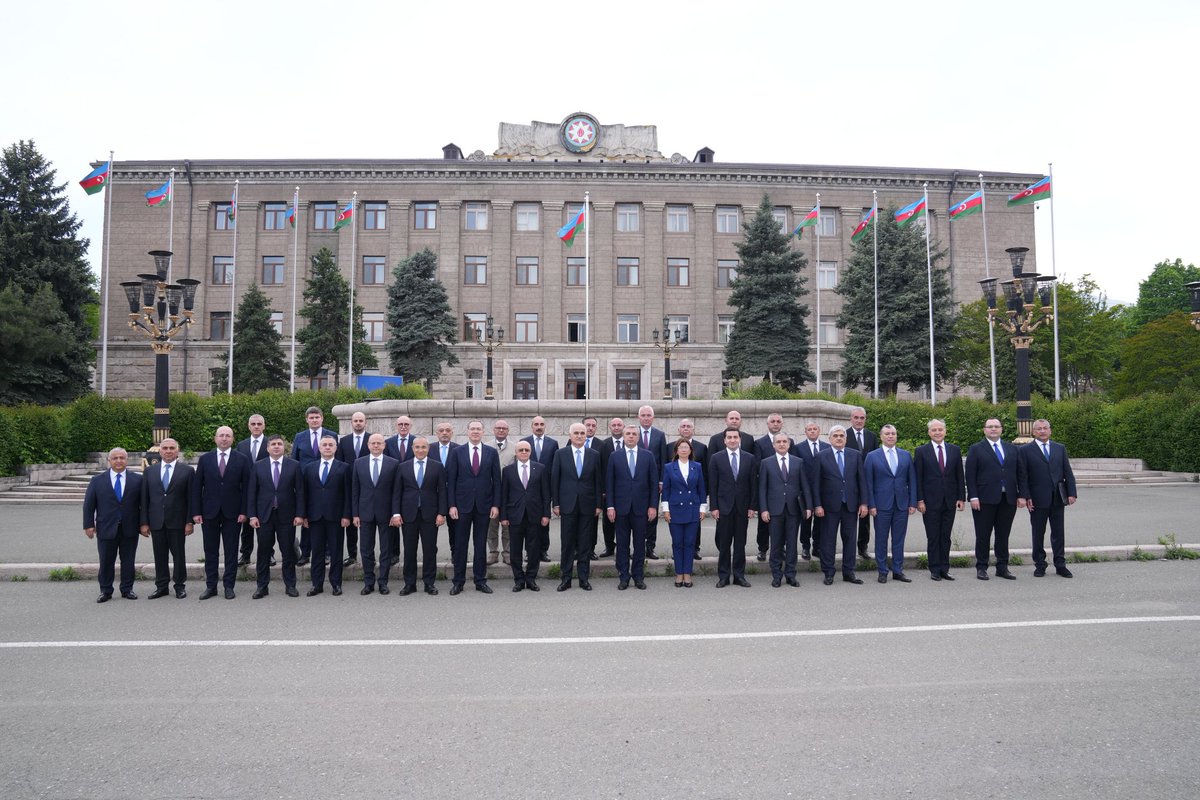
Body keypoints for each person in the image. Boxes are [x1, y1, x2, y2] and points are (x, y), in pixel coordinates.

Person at [190, 426, 251, 599]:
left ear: (232, 439)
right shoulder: (205, 459)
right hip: (209, 512)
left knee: (231, 551)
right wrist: (196, 512)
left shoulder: (242, 459)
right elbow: (197, 487)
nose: (224, 438)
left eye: (228, 436)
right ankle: (211, 587)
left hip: (233, 513)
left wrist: (244, 511)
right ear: (215, 438)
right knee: (210, 551)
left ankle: (229, 586)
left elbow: (247, 488)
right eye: (221, 435)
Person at [246, 434, 306, 598]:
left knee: (288, 552)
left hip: (287, 516)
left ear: (284, 447)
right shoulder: (258, 466)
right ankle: (262, 587)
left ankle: (290, 585)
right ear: (268, 448)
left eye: (279, 444)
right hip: (264, 516)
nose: (276, 446)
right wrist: (252, 516)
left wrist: (300, 514)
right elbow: (252, 492)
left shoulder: (294, 465)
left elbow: (300, 492)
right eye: (273, 444)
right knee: (263, 552)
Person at [1018, 419, 1079, 578]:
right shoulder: (1025, 450)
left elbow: (1067, 472)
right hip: (1037, 500)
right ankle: (1040, 564)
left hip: (1058, 498)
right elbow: (1023, 476)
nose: (1042, 431)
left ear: (1050, 431)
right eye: (1039, 429)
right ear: (1034, 432)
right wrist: (1026, 496)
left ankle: (1060, 564)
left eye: (1045, 428)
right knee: (1038, 533)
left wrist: (1072, 492)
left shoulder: (1060, 448)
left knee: (1058, 533)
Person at [447, 420, 501, 594]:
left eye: (478, 429)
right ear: (467, 431)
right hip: (462, 506)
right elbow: (452, 481)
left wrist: (495, 504)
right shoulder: (457, 452)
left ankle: (480, 581)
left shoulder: (491, 453)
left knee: (480, 545)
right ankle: (458, 582)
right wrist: (452, 505)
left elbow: (497, 482)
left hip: (484, 506)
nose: (476, 432)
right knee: (461, 545)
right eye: (473, 429)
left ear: (483, 432)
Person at [83, 447, 143, 602]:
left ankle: (127, 589)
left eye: (122, 458)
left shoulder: (137, 480)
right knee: (106, 561)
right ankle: (106, 590)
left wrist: (144, 524)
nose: (118, 461)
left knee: (128, 561)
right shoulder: (97, 481)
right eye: (115, 458)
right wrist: (88, 525)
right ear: (109, 460)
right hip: (106, 527)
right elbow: (89, 505)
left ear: (127, 460)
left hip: (129, 528)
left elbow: (143, 505)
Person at [965, 418, 1021, 581]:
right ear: (984, 430)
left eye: (996, 426)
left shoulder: (1012, 449)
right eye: (990, 427)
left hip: (1008, 498)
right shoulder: (976, 449)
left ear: (1001, 429)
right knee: (983, 535)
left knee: (1003, 535)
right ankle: (982, 567)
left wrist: (1022, 495)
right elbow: (970, 474)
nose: (993, 429)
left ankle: (1002, 567)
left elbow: (1021, 473)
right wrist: (973, 496)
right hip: (984, 499)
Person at [813, 425, 869, 586]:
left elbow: (862, 481)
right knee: (828, 540)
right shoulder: (821, 456)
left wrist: (864, 503)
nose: (839, 438)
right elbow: (815, 483)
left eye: (841, 436)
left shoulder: (856, 455)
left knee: (850, 540)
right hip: (829, 507)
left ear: (846, 438)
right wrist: (817, 505)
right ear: (830, 439)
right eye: (835, 436)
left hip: (850, 506)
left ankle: (849, 572)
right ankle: (829, 572)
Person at [551, 422, 604, 591]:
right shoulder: (560, 454)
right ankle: (565, 578)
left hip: (588, 506)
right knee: (567, 544)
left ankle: (583, 578)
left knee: (585, 544)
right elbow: (555, 480)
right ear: (570, 435)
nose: (580, 435)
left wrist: (598, 504)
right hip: (567, 505)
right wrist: (556, 503)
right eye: (577, 433)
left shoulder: (594, 454)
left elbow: (598, 482)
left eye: (582, 433)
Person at [139, 438, 194, 599]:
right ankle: (161, 586)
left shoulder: (187, 471)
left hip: (178, 521)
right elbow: (144, 499)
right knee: (159, 555)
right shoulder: (150, 471)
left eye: (172, 448)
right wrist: (144, 522)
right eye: (165, 448)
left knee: (179, 555)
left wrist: (189, 521)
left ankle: (179, 586)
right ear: (160, 451)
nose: (168, 451)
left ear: (177, 451)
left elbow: (191, 498)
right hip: (156, 521)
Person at [864, 424, 917, 583]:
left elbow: (912, 480)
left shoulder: (905, 455)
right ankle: (882, 570)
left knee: (899, 539)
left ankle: (898, 570)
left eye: (893, 433)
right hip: (881, 505)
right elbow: (868, 483)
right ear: (881, 436)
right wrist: (871, 504)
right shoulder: (872, 456)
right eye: (887, 433)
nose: (890, 436)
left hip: (901, 504)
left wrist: (912, 502)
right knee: (881, 539)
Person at [913, 419, 965, 582]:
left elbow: (959, 476)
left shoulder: (954, 450)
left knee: (946, 536)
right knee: (933, 536)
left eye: (940, 429)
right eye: (934, 430)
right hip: (929, 502)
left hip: (950, 501)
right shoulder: (921, 451)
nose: (937, 432)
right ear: (929, 433)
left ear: (945, 431)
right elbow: (918, 478)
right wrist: (919, 500)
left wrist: (961, 498)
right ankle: (934, 569)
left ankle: (945, 568)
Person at [607, 426, 658, 590]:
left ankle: (638, 576)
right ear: (623, 436)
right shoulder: (615, 456)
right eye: (628, 434)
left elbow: (653, 483)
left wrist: (653, 506)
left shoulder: (648, 456)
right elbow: (610, 484)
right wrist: (610, 506)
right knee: (622, 544)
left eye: (634, 434)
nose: (631, 436)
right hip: (620, 508)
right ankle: (623, 576)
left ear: (638, 437)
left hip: (641, 508)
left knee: (639, 544)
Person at [300, 434, 351, 596]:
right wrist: (304, 516)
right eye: (325, 445)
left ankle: (336, 583)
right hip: (314, 517)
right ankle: (317, 584)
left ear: (336, 448)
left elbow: (348, 495)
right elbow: (304, 494)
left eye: (331, 445)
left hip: (336, 517)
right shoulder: (309, 468)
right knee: (317, 552)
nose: (328, 447)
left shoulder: (344, 467)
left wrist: (346, 515)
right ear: (319, 448)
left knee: (336, 552)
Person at [351, 433, 402, 595]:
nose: (376, 446)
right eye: (373, 443)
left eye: (379, 443)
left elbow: (396, 492)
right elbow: (355, 490)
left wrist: (395, 513)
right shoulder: (358, 463)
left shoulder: (393, 463)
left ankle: (383, 582)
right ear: (368, 445)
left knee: (386, 550)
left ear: (384, 445)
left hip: (386, 514)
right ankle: (368, 582)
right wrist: (355, 514)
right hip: (365, 513)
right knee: (366, 549)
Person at [708, 427, 759, 588]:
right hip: (723, 507)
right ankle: (723, 576)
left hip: (742, 508)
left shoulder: (749, 458)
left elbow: (753, 485)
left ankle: (739, 575)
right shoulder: (716, 458)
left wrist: (752, 506)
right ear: (724, 440)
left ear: (740, 439)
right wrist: (714, 507)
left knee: (740, 544)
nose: (732, 440)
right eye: (729, 437)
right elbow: (713, 484)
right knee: (724, 544)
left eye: (735, 437)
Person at [758, 432, 810, 588]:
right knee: (776, 544)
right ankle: (776, 575)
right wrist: (764, 509)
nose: (781, 444)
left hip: (794, 509)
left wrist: (808, 506)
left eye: (784, 441)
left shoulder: (798, 462)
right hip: (774, 510)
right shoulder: (766, 463)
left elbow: (805, 486)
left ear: (789, 444)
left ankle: (790, 574)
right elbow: (762, 488)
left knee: (792, 544)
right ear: (773, 445)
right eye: (778, 442)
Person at [397, 437, 447, 595]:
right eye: (417, 447)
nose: (420, 450)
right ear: (412, 448)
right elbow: (397, 492)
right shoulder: (403, 467)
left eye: (423, 447)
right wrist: (396, 513)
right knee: (409, 550)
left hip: (430, 515)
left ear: (428, 449)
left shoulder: (437, 467)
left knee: (430, 550)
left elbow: (442, 492)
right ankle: (409, 584)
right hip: (408, 514)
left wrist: (441, 513)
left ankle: (429, 583)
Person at [499, 441, 551, 591]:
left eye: (526, 450)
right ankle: (519, 580)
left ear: (530, 452)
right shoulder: (508, 471)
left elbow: (545, 494)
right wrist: (504, 516)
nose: (523, 452)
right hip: (514, 515)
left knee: (533, 549)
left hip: (535, 515)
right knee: (515, 550)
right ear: (516, 452)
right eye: (520, 450)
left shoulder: (540, 468)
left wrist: (546, 514)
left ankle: (531, 579)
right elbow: (504, 495)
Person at [291, 406, 337, 567]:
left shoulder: (332, 435)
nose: (314, 420)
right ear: (307, 420)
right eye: (311, 418)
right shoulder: (300, 436)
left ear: (322, 418)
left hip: (326, 483)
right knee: (307, 518)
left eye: (317, 417)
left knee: (326, 517)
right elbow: (295, 460)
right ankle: (305, 553)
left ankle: (327, 553)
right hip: (306, 484)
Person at [660, 438, 707, 588]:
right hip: (675, 510)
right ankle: (679, 573)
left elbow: (701, 489)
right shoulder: (669, 467)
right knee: (678, 543)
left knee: (689, 543)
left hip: (693, 509)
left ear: (691, 450)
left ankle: (687, 573)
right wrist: (665, 510)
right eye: (681, 447)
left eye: (687, 447)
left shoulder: (697, 466)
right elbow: (665, 490)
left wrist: (702, 508)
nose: (684, 450)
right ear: (677, 451)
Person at [754, 413, 795, 562]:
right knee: (764, 523)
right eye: (773, 421)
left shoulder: (790, 442)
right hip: (768, 488)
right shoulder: (759, 443)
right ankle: (762, 549)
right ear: (767, 424)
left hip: (785, 491)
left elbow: (793, 465)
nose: (776, 424)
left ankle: (780, 548)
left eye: (778, 421)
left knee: (784, 523)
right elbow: (758, 465)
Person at [335, 410, 371, 567]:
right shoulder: (344, 441)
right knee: (350, 523)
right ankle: (352, 554)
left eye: (360, 420)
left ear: (365, 422)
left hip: (368, 487)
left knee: (367, 523)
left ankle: (368, 555)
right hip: (349, 487)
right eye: (355, 420)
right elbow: (340, 464)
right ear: (351, 422)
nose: (358, 423)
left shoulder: (372, 440)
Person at [843, 406, 879, 560]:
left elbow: (876, 458)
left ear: (865, 419)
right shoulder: (843, 435)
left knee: (865, 518)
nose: (859, 421)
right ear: (851, 419)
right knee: (849, 517)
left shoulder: (871, 436)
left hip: (867, 482)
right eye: (856, 418)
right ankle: (848, 548)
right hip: (849, 482)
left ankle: (862, 547)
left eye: (862, 418)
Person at [633, 405, 668, 560]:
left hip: (653, 483)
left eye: (649, 415)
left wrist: (661, 481)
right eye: (643, 415)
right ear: (638, 417)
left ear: (653, 418)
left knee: (652, 515)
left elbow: (663, 459)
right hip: (637, 484)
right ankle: (637, 548)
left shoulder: (660, 435)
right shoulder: (633, 434)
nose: (646, 418)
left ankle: (650, 547)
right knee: (636, 516)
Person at [522, 416, 559, 562]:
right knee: (527, 521)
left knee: (544, 520)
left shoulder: (552, 444)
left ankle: (543, 550)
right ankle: (529, 551)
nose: (539, 426)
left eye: (541, 424)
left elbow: (555, 468)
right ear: (531, 426)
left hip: (545, 488)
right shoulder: (525, 442)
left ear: (545, 426)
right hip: (527, 488)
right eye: (536, 424)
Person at [236, 414, 270, 566]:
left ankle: (269, 554)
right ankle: (245, 554)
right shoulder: (242, 445)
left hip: (265, 490)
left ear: (264, 426)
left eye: (259, 423)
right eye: (253, 424)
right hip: (246, 490)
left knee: (266, 525)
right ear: (248, 426)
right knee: (246, 525)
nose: (256, 426)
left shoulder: (270, 443)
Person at [383, 415, 416, 565]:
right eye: (400, 424)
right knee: (393, 520)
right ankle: (394, 553)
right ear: (396, 426)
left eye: (406, 424)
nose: (403, 427)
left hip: (411, 487)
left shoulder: (416, 442)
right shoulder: (388, 443)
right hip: (392, 486)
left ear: (410, 426)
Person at [797, 422, 830, 560]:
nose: (812, 431)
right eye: (809, 429)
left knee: (820, 520)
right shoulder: (798, 448)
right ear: (805, 432)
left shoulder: (827, 447)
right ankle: (805, 546)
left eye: (814, 429)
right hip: (805, 489)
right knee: (806, 519)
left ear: (819, 431)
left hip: (823, 489)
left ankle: (817, 546)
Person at [676, 419, 708, 559]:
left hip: (695, 492)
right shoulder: (671, 446)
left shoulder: (702, 447)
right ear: (679, 430)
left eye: (689, 426)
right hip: (677, 493)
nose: (686, 429)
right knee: (677, 523)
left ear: (693, 430)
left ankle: (695, 548)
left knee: (695, 521)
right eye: (683, 426)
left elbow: (706, 471)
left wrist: (705, 492)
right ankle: (679, 549)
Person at [594, 417, 625, 558]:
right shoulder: (603, 445)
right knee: (608, 521)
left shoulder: (631, 443)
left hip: (625, 490)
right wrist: (602, 490)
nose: (617, 427)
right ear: (610, 428)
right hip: (608, 490)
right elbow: (600, 469)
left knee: (625, 520)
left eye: (619, 425)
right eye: (614, 425)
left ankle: (625, 547)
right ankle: (609, 547)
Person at [487, 419, 515, 565]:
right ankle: (493, 552)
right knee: (492, 524)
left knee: (507, 524)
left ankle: (508, 552)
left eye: (504, 428)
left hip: (508, 493)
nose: (501, 430)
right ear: (494, 430)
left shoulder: (515, 448)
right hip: (490, 493)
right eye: (498, 428)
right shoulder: (486, 447)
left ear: (508, 431)